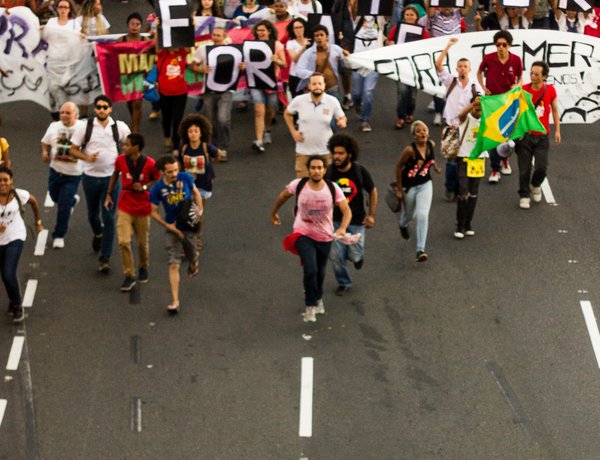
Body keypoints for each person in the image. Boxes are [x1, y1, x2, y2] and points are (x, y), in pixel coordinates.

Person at [270, 156, 351, 323]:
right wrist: (274, 212)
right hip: (303, 233)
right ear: (308, 170)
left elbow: (346, 211)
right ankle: (310, 305)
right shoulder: (299, 185)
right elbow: (283, 196)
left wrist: (342, 228)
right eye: (313, 168)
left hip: (325, 236)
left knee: (320, 271)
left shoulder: (332, 188)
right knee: (310, 269)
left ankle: (318, 297)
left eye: (320, 167)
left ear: (324, 170)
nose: (316, 170)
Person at [70, 95, 131, 273]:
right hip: (89, 177)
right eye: (99, 107)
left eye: (105, 107)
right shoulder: (85, 127)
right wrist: (87, 157)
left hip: (111, 180)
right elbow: (73, 150)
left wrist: (125, 161)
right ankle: (98, 233)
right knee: (92, 214)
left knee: (109, 217)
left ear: (110, 109)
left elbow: (131, 144)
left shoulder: (119, 127)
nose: (102, 110)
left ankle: (105, 258)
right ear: (95, 109)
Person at [104, 134, 160, 292]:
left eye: (127, 145)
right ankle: (129, 274)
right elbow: (115, 173)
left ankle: (143, 265)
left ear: (136, 147)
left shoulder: (150, 164)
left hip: (143, 207)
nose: (124, 147)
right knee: (123, 241)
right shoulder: (121, 160)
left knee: (142, 242)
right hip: (125, 206)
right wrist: (109, 193)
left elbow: (156, 180)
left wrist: (143, 188)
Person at [150, 155, 203, 314]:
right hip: (172, 227)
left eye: (176, 170)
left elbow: (196, 193)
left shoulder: (185, 177)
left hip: (188, 225)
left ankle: (194, 262)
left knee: (192, 255)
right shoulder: (157, 189)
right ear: (162, 172)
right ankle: (175, 301)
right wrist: (168, 226)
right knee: (174, 263)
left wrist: (200, 211)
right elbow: (153, 212)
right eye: (170, 172)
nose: (174, 174)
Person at [325, 133, 377, 296]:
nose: (337, 156)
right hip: (335, 221)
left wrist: (371, 215)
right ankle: (344, 282)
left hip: (356, 221)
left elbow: (372, 191)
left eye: (341, 153)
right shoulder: (329, 172)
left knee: (355, 255)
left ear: (349, 154)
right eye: (335, 153)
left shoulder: (359, 171)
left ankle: (357, 257)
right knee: (336, 256)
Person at [434, 37, 483, 201]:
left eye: (465, 67)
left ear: (469, 69)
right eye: (460, 66)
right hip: (452, 126)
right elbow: (438, 65)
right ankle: (450, 186)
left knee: (464, 160)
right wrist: (447, 47)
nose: (462, 69)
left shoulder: (474, 87)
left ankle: (461, 189)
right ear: (456, 68)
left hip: (466, 128)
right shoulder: (450, 81)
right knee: (451, 161)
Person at [477, 30, 523, 183]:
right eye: (498, 45)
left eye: (504, 45)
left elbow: (521, 77)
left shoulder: (516, 60)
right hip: (492, 102)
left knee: (507, 136)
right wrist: (483, 87)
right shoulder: (488, 58)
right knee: (493, 135)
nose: (501, 47)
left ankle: (505, 160)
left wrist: (517, 85)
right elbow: (479, 72)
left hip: (509, 103)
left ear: (509, 45)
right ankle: (495, 170)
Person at [0, 166, 43, 323]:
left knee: (8, 273)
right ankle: (12, 300)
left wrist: (38, 222)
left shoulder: (20, 194)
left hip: (15, 236)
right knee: (4, 274)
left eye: (5, 180)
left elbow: (34, 202)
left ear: (11, 181)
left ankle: (17, 305)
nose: (2, 183)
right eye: (0, 180)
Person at [516, 61, 561, 209]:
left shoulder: (550, 91)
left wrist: (557, 130)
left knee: (542, 167)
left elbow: (554, 110)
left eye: (536, 74)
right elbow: (516, 111)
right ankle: (524, 195)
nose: (533, 76)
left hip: (542, 136)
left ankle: (536, 184)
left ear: (544, 76)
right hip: (526, 136)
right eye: (531, 73)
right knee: (524, 168)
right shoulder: (523, 90)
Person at [284, 73, 347, 178]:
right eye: (314, 84)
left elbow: (342, 117)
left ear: (324, 85)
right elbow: (287, 113)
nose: (317, 86)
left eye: (319, 83)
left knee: (326, 186)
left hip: (325, 151)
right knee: (302, 186)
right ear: (309, 86)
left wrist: (342, 122)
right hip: (303, 151)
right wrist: (293, 132)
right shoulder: (299, 100)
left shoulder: (332, 101)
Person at [420, 0, 472, 126]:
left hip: (455, 57)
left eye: (450, 4)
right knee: (439, 85)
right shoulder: (434, 16)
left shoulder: (457, 14)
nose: (447, 7)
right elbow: (428, 5)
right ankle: (439, 113)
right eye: (444, 4)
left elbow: (469, 5)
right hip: (440, 57)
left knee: (454, 85)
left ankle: (455, 112)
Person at [395, 120, 441, 262]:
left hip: (425, 184)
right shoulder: (409, 150)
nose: (423, 133)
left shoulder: (431, 145)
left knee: (422, 214)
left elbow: (431, 160)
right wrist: (399, 188)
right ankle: (403, 224)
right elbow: (398, 167)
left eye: (425, 130)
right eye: (419, 131)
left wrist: (436, 168)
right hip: (409, 187)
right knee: (409, 215)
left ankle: (420, 249)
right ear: (414, 136)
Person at [177, 113, 223, 253]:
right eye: (190, 131)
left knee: (197, 213)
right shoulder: (184, 148)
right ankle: (187, 242)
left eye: (196, 131)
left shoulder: (206, 147)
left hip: (204, 186)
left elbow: (219, 155)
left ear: (202, 132)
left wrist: (210, 168)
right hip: (188, 187)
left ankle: (196, 237)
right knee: (186, 213)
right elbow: (179, 164)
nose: (193, 134)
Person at [41, 101, 84, 249]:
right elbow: (45, 142)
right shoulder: (54, 126)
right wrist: (45, 152)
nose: (64, 115)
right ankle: (72, 201)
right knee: (54, 197)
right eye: (62, 112)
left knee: (63, 206)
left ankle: (59, 235)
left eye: (68, 113)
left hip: (73, 174)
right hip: (55, 171)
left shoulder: (83, 128)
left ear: (76, 115)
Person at [191, 27, 233, 161]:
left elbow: (239, 66)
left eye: (218, 35)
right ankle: (213, 147)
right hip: (208, 90)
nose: (215, 37)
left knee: (223, 119)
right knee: (210, 119)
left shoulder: (231, 50)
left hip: (226, 90)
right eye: (213, 35)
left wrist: (241, 67)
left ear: (224, 37)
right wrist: (202, 69)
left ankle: (223, 147)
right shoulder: (203, 49)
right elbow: (193, 65)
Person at [387, 5, 428, 130]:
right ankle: (401, 116)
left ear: (416, 17)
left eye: (412, 15)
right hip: (401, 65)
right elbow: (389, 41)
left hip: (415, 67)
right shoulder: (397, 28)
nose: (409, 17)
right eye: (407, 15)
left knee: (412, 94)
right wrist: (391, 43)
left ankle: (410, 112)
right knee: (402, 91)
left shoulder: (422, 30)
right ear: (403, 16)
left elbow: (428, 44)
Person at [248, 20, 287, 153]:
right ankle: (258, 140)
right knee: (259, 110)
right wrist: (243, 66)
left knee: (270, 110)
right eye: (258, 30)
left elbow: (284, 64)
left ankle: (267, 129)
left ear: (269, 31)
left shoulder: (276, 45)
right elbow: (246, 62)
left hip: (271, 82)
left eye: (263, 30)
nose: (260, 33)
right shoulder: (251, 45)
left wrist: (277, 60)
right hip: (256, 82)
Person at [453, 96, 487, 238]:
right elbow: (460, 115)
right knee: (463, 193)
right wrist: (473, 103)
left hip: (479, 160)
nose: (478, 108)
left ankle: (468, 223)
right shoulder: (465, 119)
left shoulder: (486, 120)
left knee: (473, 194)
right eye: (476, 105)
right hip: (464, 158)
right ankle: (459, 225)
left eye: (481, 105)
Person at [117, 13, 151, 134]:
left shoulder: (144, 40)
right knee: (129, 102)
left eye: (137, 24)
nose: (134, 26)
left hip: (139, 75)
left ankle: (135, 130)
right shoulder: (121, 40)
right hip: (126, 76)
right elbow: (114, 55)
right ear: (128, 25)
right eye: (132, 24)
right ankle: (134, 119)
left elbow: (151, 55)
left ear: (141, 27)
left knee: (137, 103)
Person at [295, 25, 349, 99]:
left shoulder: (336, 49)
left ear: (327, 37)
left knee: (335, 109)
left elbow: (347, 64)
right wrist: (313, 74)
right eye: (316, 36)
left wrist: (347, 56)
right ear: (314, 38)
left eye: (321, 35)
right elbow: (299, 70)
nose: (319, 37)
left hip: (333, 88)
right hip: (316, 90)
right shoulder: (308, 53)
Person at [285, 17, 310, 98]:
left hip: (308, 74)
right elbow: (295, 59)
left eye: (300, 27)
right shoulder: (290, 43)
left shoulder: (310, 41)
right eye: (296, 28)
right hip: (295, 75)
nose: (298, 30)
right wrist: (303, 47)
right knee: (297, 100)